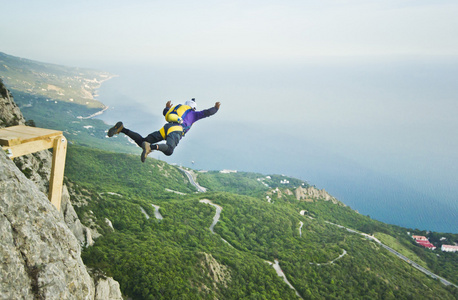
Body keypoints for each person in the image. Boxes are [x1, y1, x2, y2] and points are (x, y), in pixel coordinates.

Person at [107, 98, 221, 162]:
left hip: (166, 128)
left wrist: (167, 107)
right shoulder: (194, 114)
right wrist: (216, 108)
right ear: (194, 108)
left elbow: (165, 113)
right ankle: (150, 148)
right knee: (169, 150)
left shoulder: (177, 110)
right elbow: (207, 113)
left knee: (143, 141)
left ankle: (122, 129)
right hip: (176, 129)